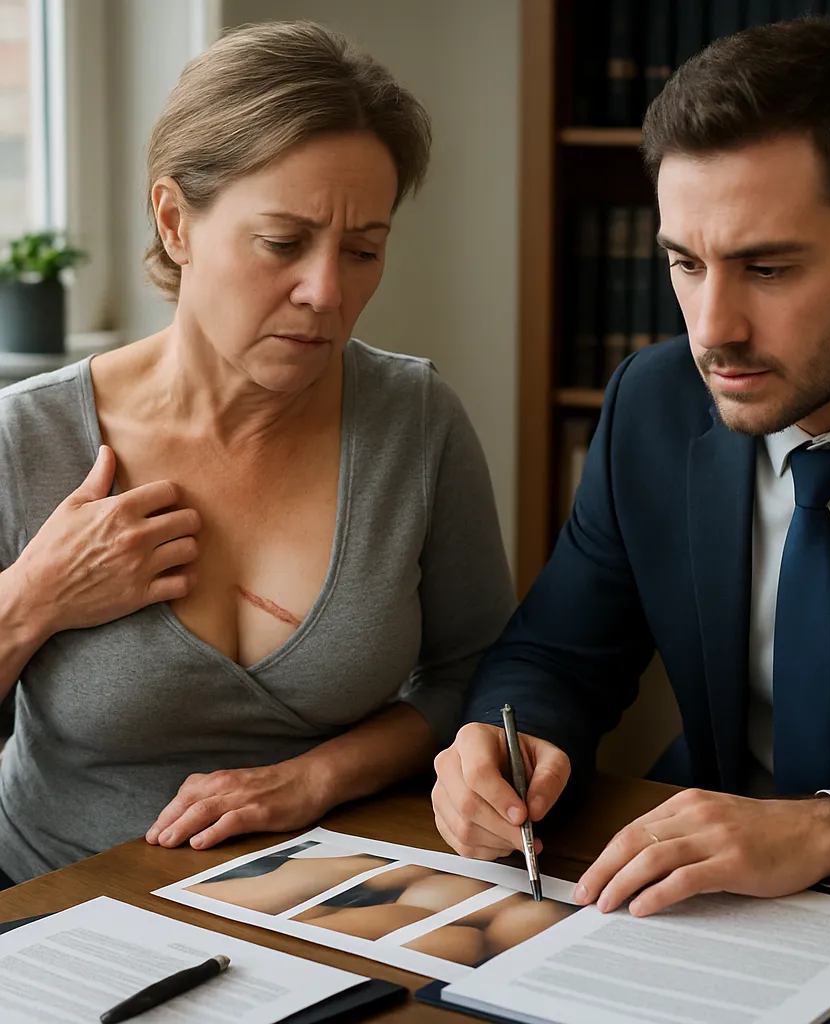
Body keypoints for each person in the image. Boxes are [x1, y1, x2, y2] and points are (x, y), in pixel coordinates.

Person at [432, 17, 830, 922]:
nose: (712, 330)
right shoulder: (654, 403)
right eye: (685, 263)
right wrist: (506, 744)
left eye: (768, 268)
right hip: (702, 914)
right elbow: (557, 653)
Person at [0, 21, 515, 887]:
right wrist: (33, 597)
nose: (327, 291)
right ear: (176, 222)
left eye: (364, 250)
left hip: (322, 903)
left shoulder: (416, 422)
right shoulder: (25, 438)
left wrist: (315, 779)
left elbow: (475, 677)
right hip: (57, 906)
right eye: (283, 243)